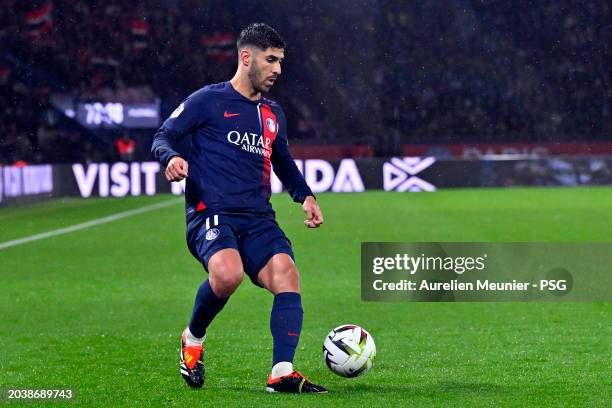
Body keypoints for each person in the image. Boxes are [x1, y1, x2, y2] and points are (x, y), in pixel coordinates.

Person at [151, 23, 326, 394]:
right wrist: (171, 158)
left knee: (287, 275)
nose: (278, 69)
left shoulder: (272, 113)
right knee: (227, 275)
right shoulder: (207, 101)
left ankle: (281, 372)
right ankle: (193, 338)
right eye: (271, 59)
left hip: (258, 218)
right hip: (210, 212)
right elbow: (163, 135)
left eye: (281, 61)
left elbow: (284, 163)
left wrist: (305, 196)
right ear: (246, 57)